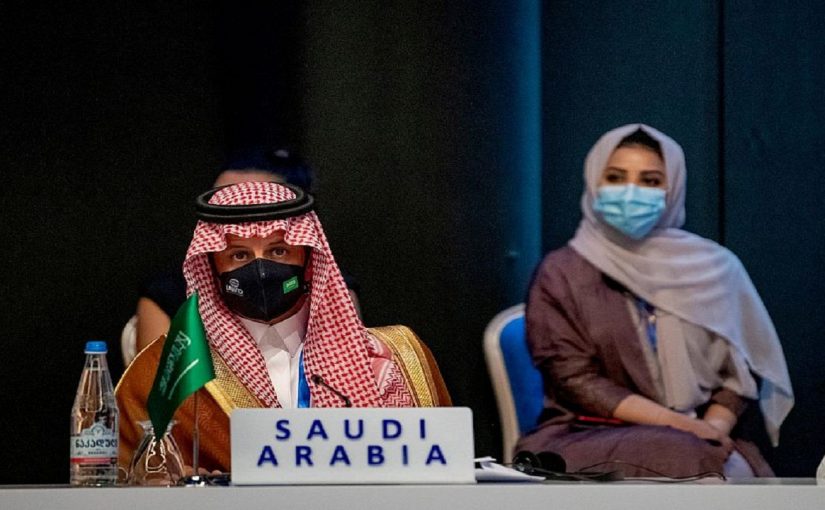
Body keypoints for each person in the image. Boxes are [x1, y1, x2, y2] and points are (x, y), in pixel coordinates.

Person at [516, 124, 794, 478]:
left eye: (650, 181)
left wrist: (713, 429)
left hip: (704, 435)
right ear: (594, 182)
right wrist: (683, 427)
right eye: (615, 178)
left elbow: (740, 371)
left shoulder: (714, 268)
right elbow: (575, 380)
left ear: (672, 189)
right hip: (587, 433)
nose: (631, 192)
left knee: (727, 466)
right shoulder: (561, 273)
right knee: (686, 459)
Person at [117, 181, 450, 473]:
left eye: (278, 250)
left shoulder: (397, 357)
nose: (261, 269)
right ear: (212, 269)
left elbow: (443, 472)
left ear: (307, 260)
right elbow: (124, 477)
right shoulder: (165, 369)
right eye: (239, 256)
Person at [133, 147, 361, 355]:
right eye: (223, 202)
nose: (235, 216)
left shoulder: (332, 289)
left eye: (278, 251)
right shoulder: (168, 294)